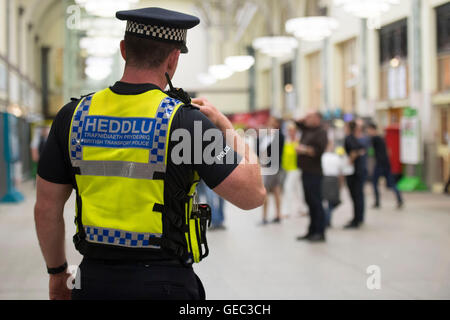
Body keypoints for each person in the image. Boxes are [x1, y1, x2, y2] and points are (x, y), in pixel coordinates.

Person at [34, 7, 265, 300]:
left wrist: (58, 273)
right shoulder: (185, 122)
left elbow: (46, 209)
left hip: (93, 281)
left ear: (123, 50)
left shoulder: (73, 116)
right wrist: (228, 129)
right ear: (174, 59)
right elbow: (252, 194)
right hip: (164, 283)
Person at [295, 111, 328, 242]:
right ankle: (312, 230)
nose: (307, 119)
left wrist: (303, 149)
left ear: (317, 119)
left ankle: (320, 232)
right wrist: (304, 116)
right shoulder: (308, 129)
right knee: (309, 202)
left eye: (310, 117)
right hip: (306, 170)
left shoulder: (321, 132)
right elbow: (297, 123)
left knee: (316, 202)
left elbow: (318, 151)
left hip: (314, 172)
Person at [367, 123, 403, 209]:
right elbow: (388, 150)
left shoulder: (375, 138)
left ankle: (377, 202)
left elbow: (368, 148)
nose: (368, 132)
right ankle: (399, 199)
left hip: (380, 163)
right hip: (386, 163)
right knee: (391, 183)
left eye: (369, 130)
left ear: (373, 130)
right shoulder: (381, 138)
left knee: (375, 183)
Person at [258, 116, 285, 224]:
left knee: (265, 192)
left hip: (271, 167)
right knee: (276, 190)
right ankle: (277, 214)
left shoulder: (277, 135)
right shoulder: (271, 135)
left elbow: (270, 151)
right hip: (273, 166)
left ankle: (264, 217)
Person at [344, 120, 367, 229]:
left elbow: (354, 152)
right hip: (359, 171)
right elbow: (360, 151)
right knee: (359, 196)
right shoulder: (356, 138)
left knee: (356, 195)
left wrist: (349, 162)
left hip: (354, 172)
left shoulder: (349, 138)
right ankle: (359, 217)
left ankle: (356, 220)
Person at [281, 121, 307, 217]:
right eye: (289, 130)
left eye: (292, 130)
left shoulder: (299, 141)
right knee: (298, 189)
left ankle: (286, 211)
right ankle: (303, 208)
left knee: (288, 187)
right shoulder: (286, 141)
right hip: (288, 168)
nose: (291, 132)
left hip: (296, 168)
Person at [321, 142, 344, 228]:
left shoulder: (323, 157)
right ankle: (327, 219)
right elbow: (341, 173)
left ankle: (326, 218)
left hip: (325, 179)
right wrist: (340, 185)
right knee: (331, 202)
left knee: (325, 201)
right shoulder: (336, 157)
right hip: (333, 180)